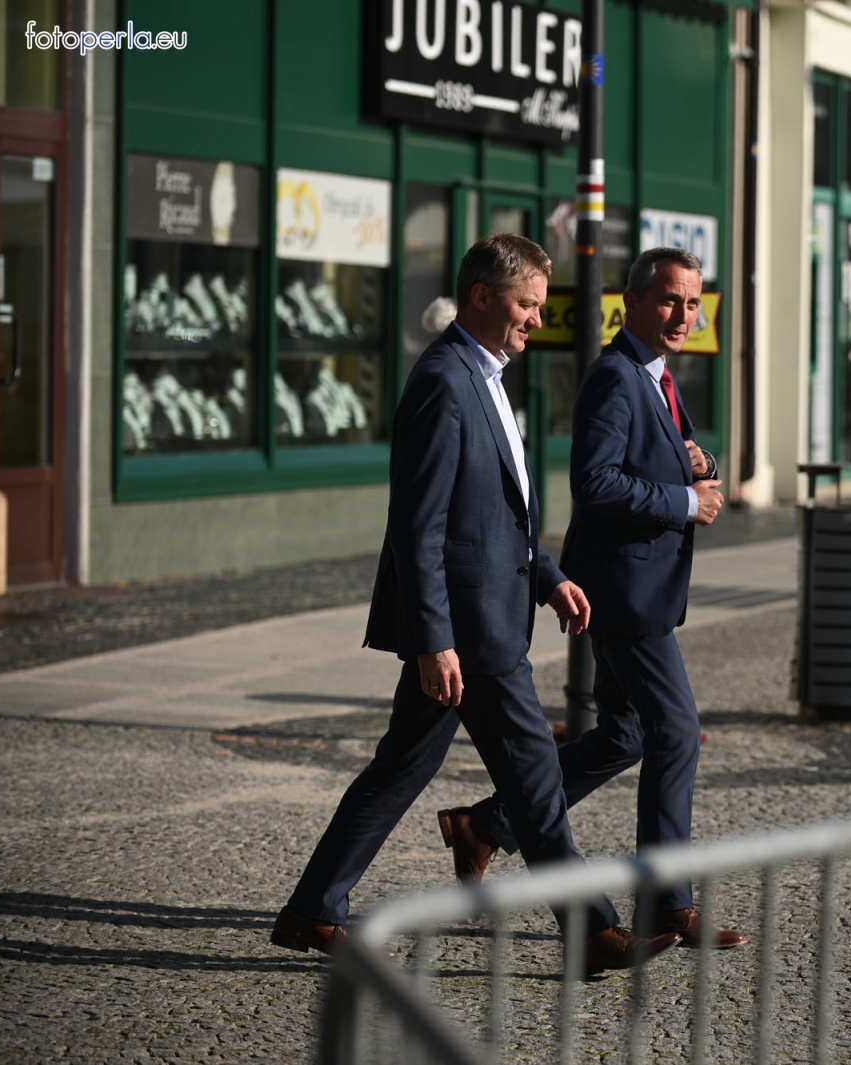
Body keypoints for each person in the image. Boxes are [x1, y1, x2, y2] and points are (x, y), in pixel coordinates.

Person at [270, 234, 681, 978]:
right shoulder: (444, 379)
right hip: (469, 633)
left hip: (483, 616)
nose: (536, 320)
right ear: (484, 298)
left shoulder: (486, 374)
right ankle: (590, 928)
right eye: (526, 305)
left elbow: (500, 515)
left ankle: (313, 907)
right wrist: (434, 640)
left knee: (400, 768)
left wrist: (548, 574)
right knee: (534, 779)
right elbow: (418, 526)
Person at [437, 247, 746, 952]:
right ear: (632, 303)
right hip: (621, 591)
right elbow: (596, 481)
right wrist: (681, 501)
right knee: (674, 731)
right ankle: (668, 903)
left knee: (626, 733)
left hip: (641, 588)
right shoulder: (614, 376)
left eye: (693, 303)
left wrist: (701, 462)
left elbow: (671, 450)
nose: (683, 315)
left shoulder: (660, 375)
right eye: (669, 300)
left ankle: (487, 824)